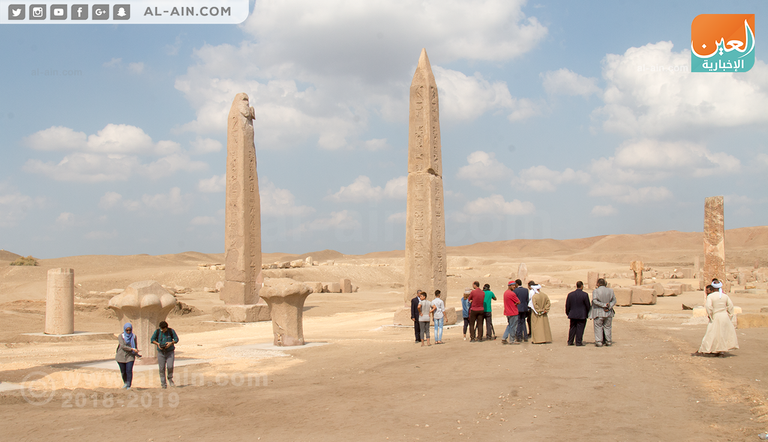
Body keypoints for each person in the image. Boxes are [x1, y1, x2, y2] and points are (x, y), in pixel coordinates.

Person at [694, 283, 739, 356]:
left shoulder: (711, 296)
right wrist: (729, 316)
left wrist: (710, 316)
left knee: (711, 333)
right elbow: (730, 307)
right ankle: (721, 351)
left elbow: (709, 307)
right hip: (724, 316)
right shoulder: (725, 296)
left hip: (716, 316)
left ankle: (706, 349)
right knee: (722, 333)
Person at [151, 320, 179, 388]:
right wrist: (158, 344)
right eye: (162, 329)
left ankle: (170, 378)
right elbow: (152, 340)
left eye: (164, 329)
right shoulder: (157, 332)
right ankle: (163, 383)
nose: (163, 330)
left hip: (170, 352)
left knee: (170, 366)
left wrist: (171, 343)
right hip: (161, 353)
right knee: (161, 368)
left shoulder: (171, 331)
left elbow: (176, 339)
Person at [591, 278, 617, 347]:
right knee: (608, 327)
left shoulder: (596, 291)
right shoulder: (611, 291)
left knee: (598, 327)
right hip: (608, 312)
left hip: (599, 312)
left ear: (598, 284)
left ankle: (599, 341)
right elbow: (614, 300)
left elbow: (594, 301)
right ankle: (608, 341)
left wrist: (603, 305)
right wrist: (609, 306)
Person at [565, 281, 591, 346]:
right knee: (580, 328)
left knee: (572, 328)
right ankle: (578, 342)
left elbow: (567, 305)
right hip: (582, 315)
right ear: (582, 286)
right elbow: (588, 305)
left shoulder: (570, 294)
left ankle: (570, 341)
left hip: (572, 314)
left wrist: (568, 313)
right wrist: (587, 313)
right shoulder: (585, 295)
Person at [116, 322, 141, 389]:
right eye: (127, 330)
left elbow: (135, 346)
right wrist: (131, 349)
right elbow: (123, 346)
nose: (128, 331)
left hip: (130, 356)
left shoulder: (134, 336)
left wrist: (136, 353)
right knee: (123, 371)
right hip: (121, 356)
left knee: (129, 370)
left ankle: (129, 385)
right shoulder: (121, 336)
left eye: (129, 330)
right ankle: (126, 382)